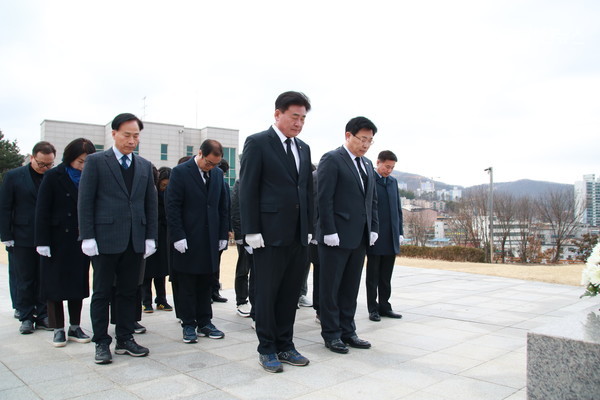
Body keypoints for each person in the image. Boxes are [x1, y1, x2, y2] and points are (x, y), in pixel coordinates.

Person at [240, 91, 314, 373]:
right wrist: (251, 230)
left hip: (298, 235)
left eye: (303, 118)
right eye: (294, 116)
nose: (298, 123)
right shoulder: (258, 143)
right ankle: (267, 348)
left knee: (289, 292)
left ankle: (286, 344)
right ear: (278, 114)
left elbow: (306, 190)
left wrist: (309, 228)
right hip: (268, 235)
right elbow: (248, 188)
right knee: (268, 294)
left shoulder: (303, 148)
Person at [78, 113, 158, 364]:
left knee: (127, 291)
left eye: (136, 136)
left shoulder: (144, 166)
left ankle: (125, 338)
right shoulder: (96, 162)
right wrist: (87, 236)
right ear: (114, 134)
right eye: (127, 135)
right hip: (105, 238)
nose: (132, 141)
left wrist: (150, 237)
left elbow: (150, 204)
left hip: (135, 240)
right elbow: (86, 200)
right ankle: (101, 341)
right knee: (101, 292)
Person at [317, 116, 379, 354]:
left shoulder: (367, 164)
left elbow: (371, 200)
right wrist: (329, 230)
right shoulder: (332, 159)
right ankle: (331, 334)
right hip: (336, 237)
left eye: (370, 141)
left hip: (359, 237)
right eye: (362, 139)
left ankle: (348, 331)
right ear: (348, 136)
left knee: (351, 287)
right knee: (331, 287)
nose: (365, 145)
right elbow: (324, 198)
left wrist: (373, 228)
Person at [34, 138, 96, 347]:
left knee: (77, 283)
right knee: (55, 285)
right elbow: (42, 210)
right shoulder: (53, 175)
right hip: (56, 238)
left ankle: (75, 326)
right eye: (80, 161)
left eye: (87, 161)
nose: (83, 165)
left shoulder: (91, 177)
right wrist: (42, 241)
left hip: (80, 238)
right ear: (70, 157)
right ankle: (58, 328)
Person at [166, 139, 229, 344]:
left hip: (210, 239)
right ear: (200, 154)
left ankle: (205, 321)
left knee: (206, 281)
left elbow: (222, 207)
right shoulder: (181, 172)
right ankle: (188, 324)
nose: (211, 168)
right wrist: (178, 235)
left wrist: (222, 235)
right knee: (187, 283)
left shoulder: (217, 175)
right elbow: (172, 206)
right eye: (209, 163)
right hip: (187, 237)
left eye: (215, 165)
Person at [0, 141, 56, 334]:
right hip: (21, 236)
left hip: (46, 238)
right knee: (24, 278)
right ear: (32, 158)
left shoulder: (52, 177)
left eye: (49, 164)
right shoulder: (14, 177)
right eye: (41, 164)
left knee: (43, 278)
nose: (45, 168)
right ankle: (25, 316)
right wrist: (6, 235)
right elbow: (5, 207)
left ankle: (42, 315)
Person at [366, 150, 404, 322]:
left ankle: (385, 305)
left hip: (391, 235)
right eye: (387, 166)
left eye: (392, 167)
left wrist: (400, 232)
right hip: (376, 234)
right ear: (378, 162)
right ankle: (372, 308)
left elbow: (397, 209)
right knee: (373, 275)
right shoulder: (370, 179)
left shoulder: (393, 182)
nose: (389, 170)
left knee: (386, 275)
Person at [142, 166, 173, 313]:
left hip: (165, 236)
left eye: (168, 185)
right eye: (163, 185)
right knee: (147, 271)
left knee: (161, 271)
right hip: (151, 234)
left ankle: (161, 300)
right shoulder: (151, 194)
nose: (165, 188)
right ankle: (146, 301)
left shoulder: (171, 195)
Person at [230, 178, 254, 318]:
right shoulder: (241, 182)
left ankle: (255, 301)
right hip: (245, 233)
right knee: (244, 268)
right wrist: (239, 235)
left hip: (263, 235)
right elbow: (236, 209)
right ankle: (241, 300)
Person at [210, 159, 231, 304]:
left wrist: (227, 229)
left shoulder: (223, 184)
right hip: (206, 230)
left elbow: (226, 207)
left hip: (218, 231)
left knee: (216, 263)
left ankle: (214, 291)